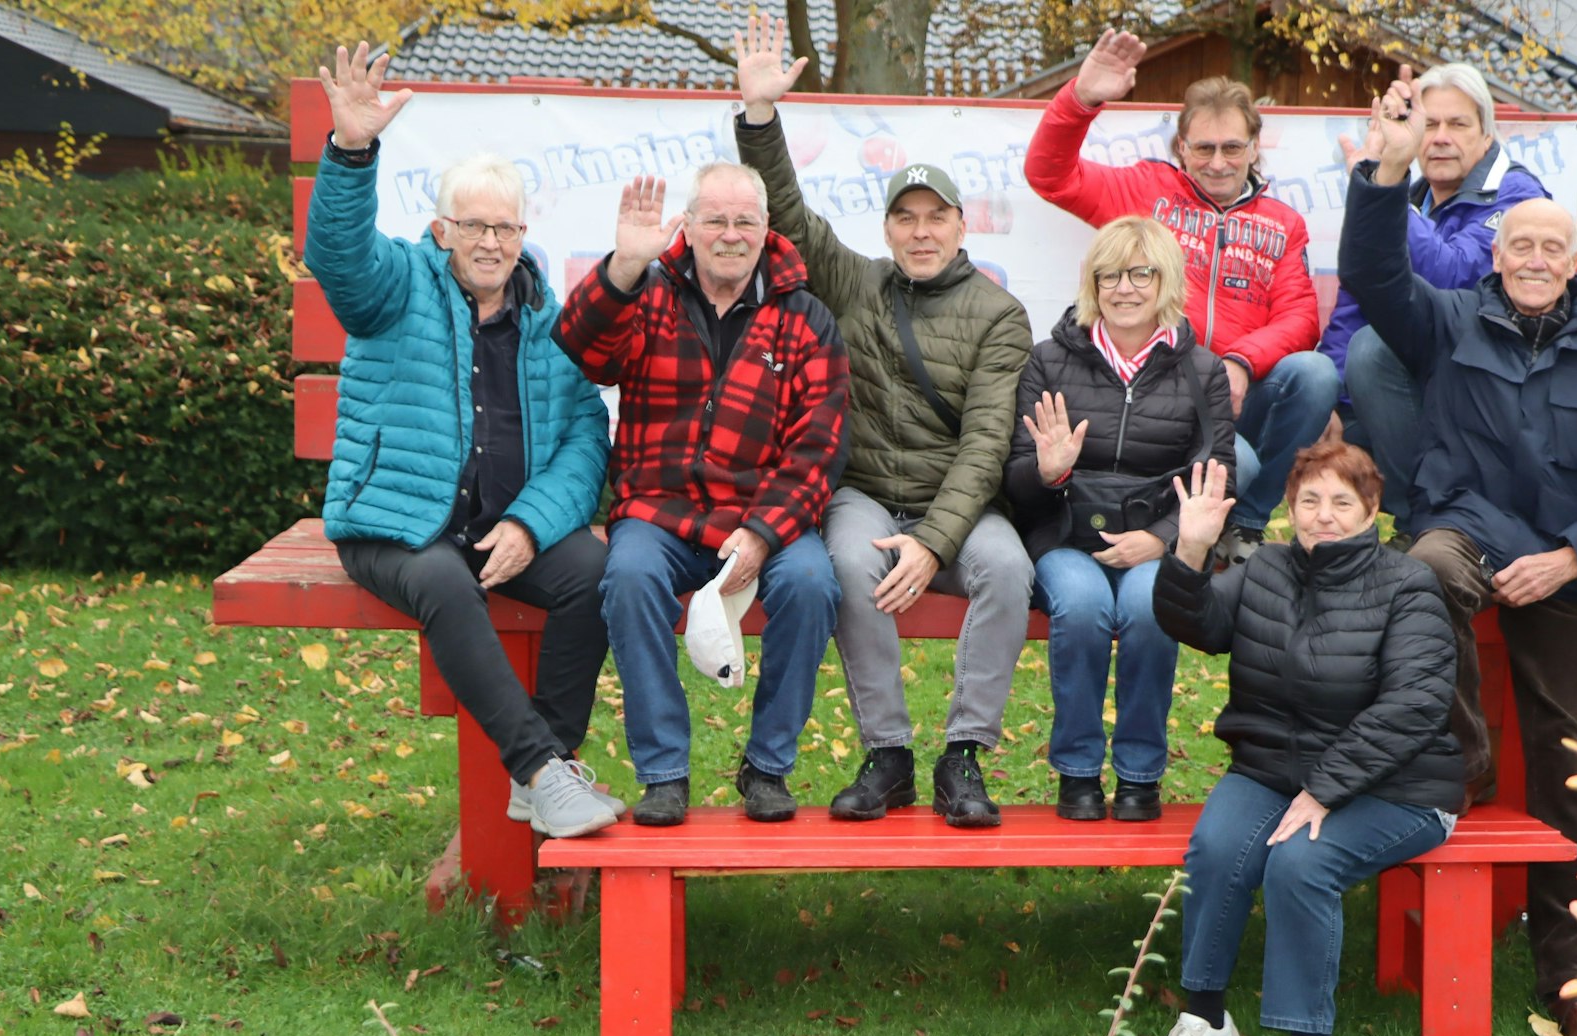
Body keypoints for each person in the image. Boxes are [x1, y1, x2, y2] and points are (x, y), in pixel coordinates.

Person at [1337, 73, 1577, 1036]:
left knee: (1568, 770)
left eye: (1550, 248)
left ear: (1575, 260)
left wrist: (1569, 558)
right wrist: (1384, 172)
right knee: (1418, 570)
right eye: (1518, 244)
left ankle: (1574, 982)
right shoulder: (1448, 323)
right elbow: (1372, 273)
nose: (1532, 259)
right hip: (1470, 534)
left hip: (1570, 570)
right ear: (1494, 252)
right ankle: (1463, 759)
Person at [303, 42, 619, 839]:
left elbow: (587, 438)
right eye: (474, 225)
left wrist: (530, 525)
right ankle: (542, 769)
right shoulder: (396, 284)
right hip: (394, 528)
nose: (489, 242)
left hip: (502, 535)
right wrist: (351, 151)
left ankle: (548, 771)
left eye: (504, 227)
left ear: (523, 234)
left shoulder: (546, 320)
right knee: (446, 583)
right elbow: (338, 257)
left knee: (595, 571)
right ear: (443, 228)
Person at [734, 15, 1035, 828]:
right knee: (844, 561)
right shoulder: (857, 282)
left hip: (957, 505)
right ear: (888, 228)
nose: (921, 231)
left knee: (1009, 569)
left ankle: (963, 755)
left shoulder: (1000, 314)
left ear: (963, 225)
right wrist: (760, 118)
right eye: (907, 217)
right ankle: (889, 754)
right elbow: (788, 216)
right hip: (864, 492)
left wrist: (933, 540)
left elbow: (985, 444)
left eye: (936, 216)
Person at [1146, 447, 1460, 1036]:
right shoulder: (1265, 568)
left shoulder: (1408, 583)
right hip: (1272, 769)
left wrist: (1324, 790)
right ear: (1290, 509)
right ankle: (1206, 1021)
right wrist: (1191, 550)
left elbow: (1415, 705)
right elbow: (1196, 622)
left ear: (1372, 510)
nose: (1324, 515)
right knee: (1216, 848)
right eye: (1310, 500)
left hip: (1399, 785)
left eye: (1342, 502)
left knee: (1301, 862)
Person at [554, 167, 848, 827]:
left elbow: (820, 447)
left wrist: (764, 533)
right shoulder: (647, 292)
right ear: (687, 227)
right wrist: (623, 267)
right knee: (627, 577)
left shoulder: (806, 318)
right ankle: (664, 773)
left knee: (811, 584)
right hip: (659, 512)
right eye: (715, 219)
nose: (730, 234)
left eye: (745, 221)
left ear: (766, 230)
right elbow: (583, 348)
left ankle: (767, 766)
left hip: (763, 518)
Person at [1025, 29, 1329, 563]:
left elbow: (1301, 316)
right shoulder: (1147, 191)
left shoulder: (1283, 223)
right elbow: (1049, 176)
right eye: (1204, 148)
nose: (1218, 162)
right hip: (1162, 400)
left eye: (1232, 148)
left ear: (1254, 148)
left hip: (1241, 393)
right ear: (1181, 148)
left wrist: (1240, 361)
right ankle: (1195, 524)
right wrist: (1082, 99)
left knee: (1315, 374)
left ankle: (1246, 526)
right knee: (1239, 463)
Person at [1005, 217, 1235, 821]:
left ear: (1166, 281)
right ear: (1092, 283)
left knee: (1149, 607)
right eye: (1109, 275)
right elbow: (1015, 481)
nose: (1124, 288)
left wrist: (1160, 540)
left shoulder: (1202, 371)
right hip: (1065, 539)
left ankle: (1139, 775)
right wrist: (1049, 472)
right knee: (1082, 607)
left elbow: (1219, 476)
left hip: (1155, 542)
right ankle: (1078, 772)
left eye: (1140, 273)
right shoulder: (1048, 361)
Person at [1319, 63, 1549, 528]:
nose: (1440, 138)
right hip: (1413, 399)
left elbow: (1453, 275)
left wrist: (1385, 188)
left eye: (1458, 124)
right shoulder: (1412, 196)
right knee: (1311, 395)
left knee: (1373, 349)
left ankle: (1424, 526)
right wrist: (1333, 402)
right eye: (1430, 125)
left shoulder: (1517, 195)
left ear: (1487, 135)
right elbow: (1358, 296)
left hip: (1485, 410)